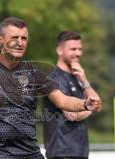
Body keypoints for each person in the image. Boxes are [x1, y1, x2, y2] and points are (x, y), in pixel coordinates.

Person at [0, 17, 101, 159]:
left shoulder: (34, 73)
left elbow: (63, 100)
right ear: (0, 40)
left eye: (24, 38)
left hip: (29, 153)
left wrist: (85, 104)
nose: (20, 42)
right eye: (14, 37)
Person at [41, 31, 101, 159]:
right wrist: (91, 107)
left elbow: (98, 103)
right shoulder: (54, 78)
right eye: (73, 49)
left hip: (80, 152)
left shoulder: (78, 77)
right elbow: (72, 115)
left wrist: (84, 80)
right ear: (59, 50)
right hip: (61, 152)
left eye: (80, 49)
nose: (78, 53)